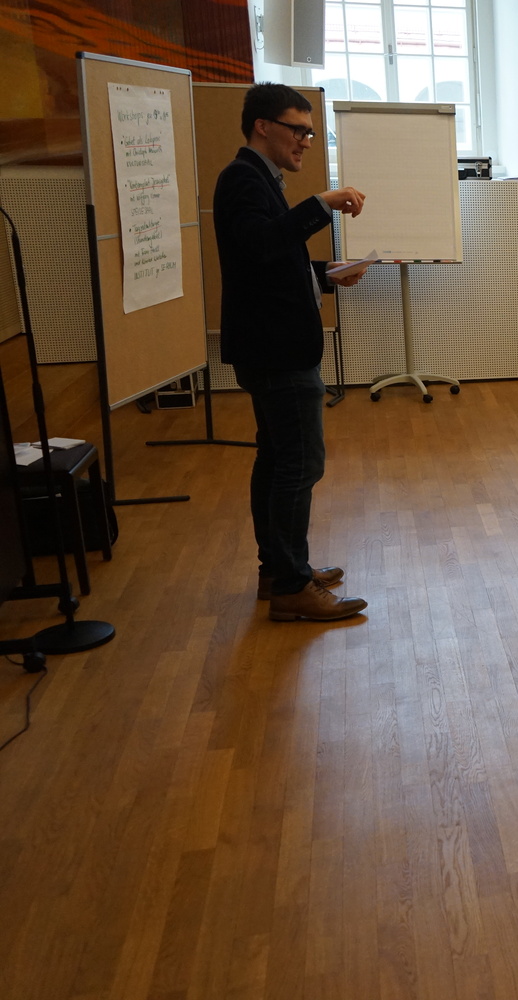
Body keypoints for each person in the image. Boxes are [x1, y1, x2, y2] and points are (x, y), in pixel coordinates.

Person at [216, 83, 369, 622]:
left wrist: (325, 274)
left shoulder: (260, 179)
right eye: (297, 129)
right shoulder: (243, 178)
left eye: (310, 131)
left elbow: (269, 261)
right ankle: (291, 584)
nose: (306, 140)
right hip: (277, 351)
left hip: (272, 346)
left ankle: (280, 570)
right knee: (299, 464)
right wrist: (321, 205)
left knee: (278, 458)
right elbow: (261, 247)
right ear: (263, 126)